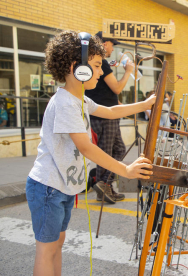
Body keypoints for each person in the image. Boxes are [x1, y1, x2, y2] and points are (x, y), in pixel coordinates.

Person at [26, 30, 155, 276]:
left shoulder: (81, 100)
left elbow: (111, 111)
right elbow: (86, 147)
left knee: (58, 243)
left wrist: (145, 104)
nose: (100, 71)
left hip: (61, 187)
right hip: (47, 188)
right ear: (77, 67)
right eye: (96, 66)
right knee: (47, 248)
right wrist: (125, 169)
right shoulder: (64, 103)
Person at [85, 31, 136, 203]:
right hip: (104, 116)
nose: (113, 48)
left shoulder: (102, 65)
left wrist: (118, 104)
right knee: (107, 152)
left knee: (117, 149)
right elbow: (116, 88)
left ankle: (104, 185)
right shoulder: (103, 64)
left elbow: (106, 92)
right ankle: (103, 184)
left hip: (105, 113)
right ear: (104, 43)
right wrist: (128, 71)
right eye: (112, 44)